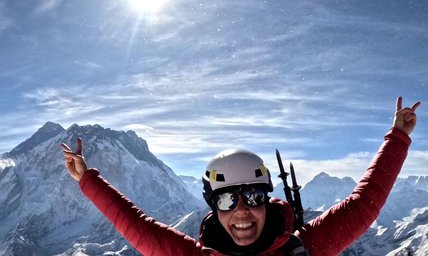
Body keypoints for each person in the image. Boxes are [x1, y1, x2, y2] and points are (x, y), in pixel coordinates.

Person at [60, 96, 421, 256]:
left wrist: (398, 137)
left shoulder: (305, 248)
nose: (242, 211)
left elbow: (365, 203)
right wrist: (86, 178)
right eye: (228, 200)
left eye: (253, 197)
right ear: (214, 209)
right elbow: (134, 224)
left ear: (267, 200)